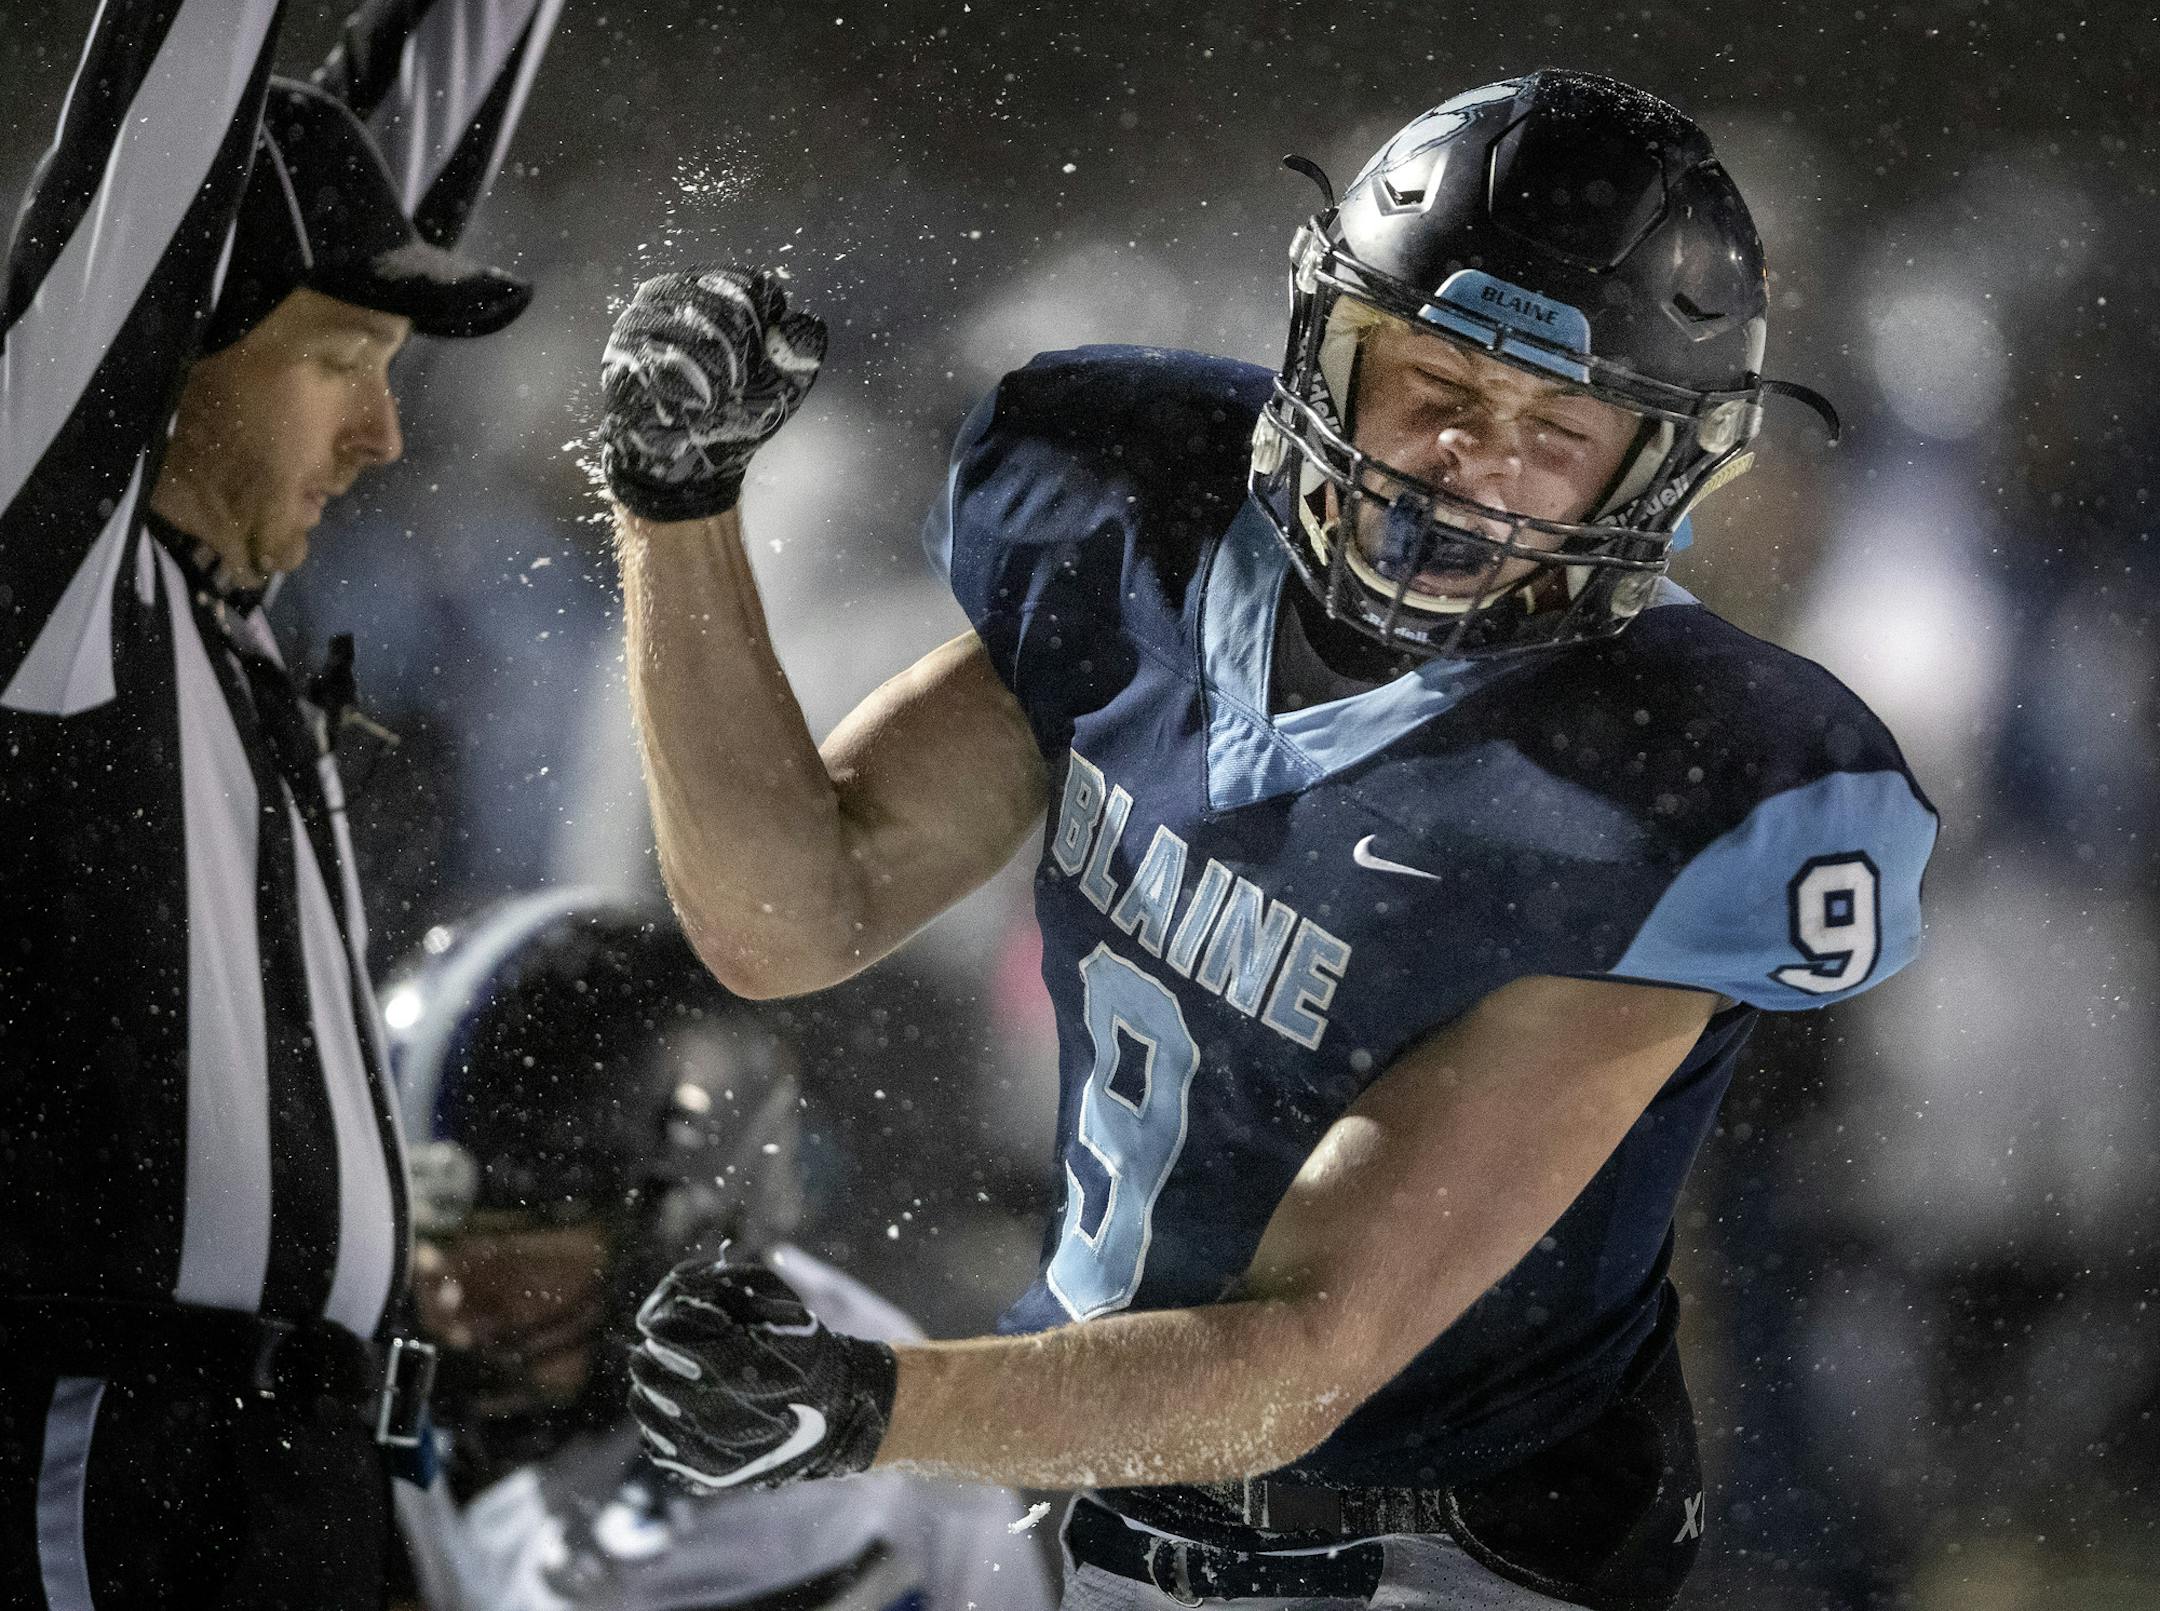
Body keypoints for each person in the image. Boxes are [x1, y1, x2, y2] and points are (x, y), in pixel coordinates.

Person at [594, 71, 1939, 1610]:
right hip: (1094, 1473)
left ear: (1656, 468)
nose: (1465, 463)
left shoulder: (1649, 792)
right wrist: (677, 505)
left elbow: (1298, 1359)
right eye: (1430, 378)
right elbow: (790, 912)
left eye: (1553, 428)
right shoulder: (1144, 538)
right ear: (1324, 344)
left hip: (1436, 1544)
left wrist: (867, 1402)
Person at [0, 0, 558, 1603]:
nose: (385, 432)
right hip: (131, 1469)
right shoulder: (53, 606)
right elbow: (160, 135)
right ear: (165, 343)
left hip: (302, 1480)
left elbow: (377, 154)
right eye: (340, 365)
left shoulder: (214, 610)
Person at [379, 891, 1057, 1611]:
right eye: (428, 1249)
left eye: (514, 1259)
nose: (453, 1302)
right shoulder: (505, 1402)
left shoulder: (796, 1485)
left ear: (683, 1238)